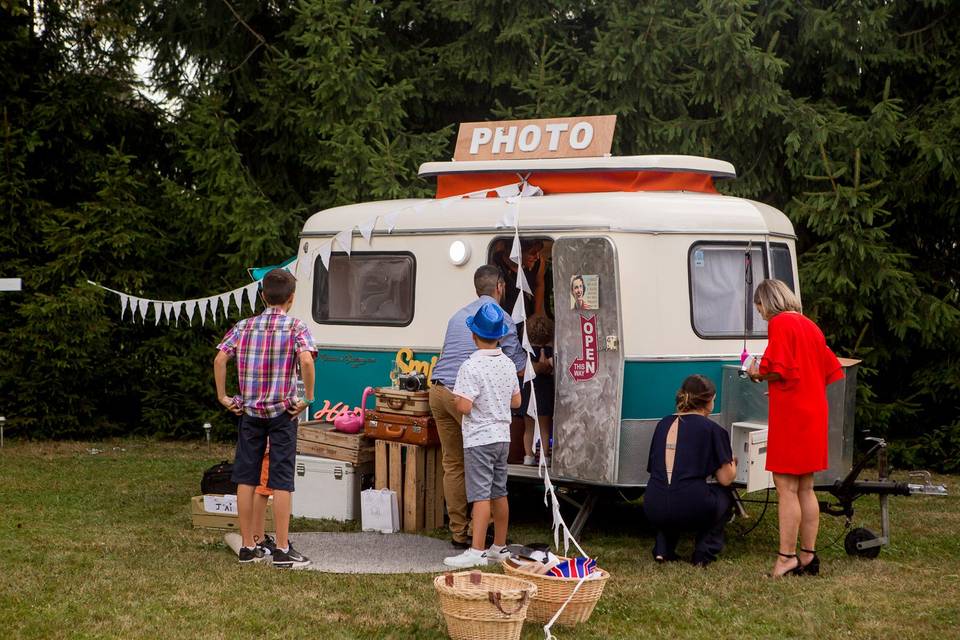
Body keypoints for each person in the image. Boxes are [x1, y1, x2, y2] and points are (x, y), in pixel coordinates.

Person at [213, 268, 317, 568]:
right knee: (281, 479)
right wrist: (307, 396)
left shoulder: (244, 327)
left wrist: (224, 396)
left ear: (262, 296)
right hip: (282, 412)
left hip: (250, 412)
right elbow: (307, 360)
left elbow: (220, 358)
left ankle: (248, 546)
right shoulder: (296, 327)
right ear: (291, 298)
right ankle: (282, 549)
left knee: (245, 477)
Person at [748, 278, 844, 578]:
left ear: (767, 301)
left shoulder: (779, 324)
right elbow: (820, 369)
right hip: (814, 412)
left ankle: (786, 557)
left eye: (759, 306)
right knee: (806, 487)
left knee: (785, 487)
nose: (760, 313)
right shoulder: (810, 326)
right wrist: (779, 385)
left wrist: (755, 372)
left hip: (792, 417)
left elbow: (774, 367)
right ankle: (808, 555)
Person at [430, 265, 526, 548]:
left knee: (453, 464)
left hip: (437, 391)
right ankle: (482, 535)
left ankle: (458, 531)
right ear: (500, 287)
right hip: (465, 399)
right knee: (483, 467)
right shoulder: (501, 318)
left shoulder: (457, 315)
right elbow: (519, 367)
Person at [443, 302, 522, 568]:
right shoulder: (509, 364)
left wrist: (456, 400)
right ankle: (499, 547)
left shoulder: (470, 366)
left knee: (480, 496)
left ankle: (476, 551)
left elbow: (465, 406)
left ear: (473, 335)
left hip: (479, 439)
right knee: (500, 493)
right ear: (500, 336)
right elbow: (517, 402)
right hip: (503, 437)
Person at [643, 375, 736, 567]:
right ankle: (703, 552)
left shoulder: (663, 424)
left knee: (670, 488)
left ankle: (663, 549)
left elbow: (656, 468)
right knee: (724, 495)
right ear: (709, 400)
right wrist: (733, 465)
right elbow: (726, 479)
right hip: (690, 505)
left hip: (653, 504)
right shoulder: (713, 429)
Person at [521, 314, 555, 466]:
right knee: (544, 427)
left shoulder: (525, 351)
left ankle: (528, 456)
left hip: (528, 390)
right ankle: (544, 458)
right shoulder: (549, 351)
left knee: (528, 428)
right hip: (544, 390)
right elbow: (551, 368)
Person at [493, 238, 546, 318]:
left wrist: (536, 315)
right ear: (517, 252)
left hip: (528, 315)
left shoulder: (538, 263)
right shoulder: (496, 263)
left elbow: (539, 285)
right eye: (533, 253)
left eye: (538, 252)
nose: (537, 257)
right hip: (504, 316)